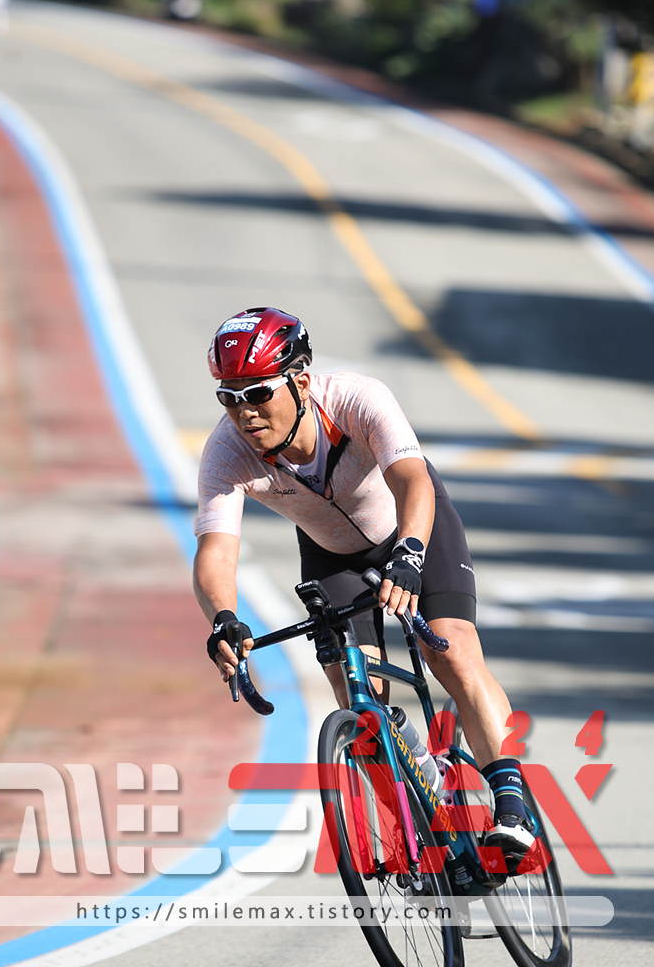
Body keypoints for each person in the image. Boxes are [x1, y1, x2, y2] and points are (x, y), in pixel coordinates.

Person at [192, 306, 537, 860]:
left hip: (413, 526)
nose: (244, 412)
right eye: (228, 398)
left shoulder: (357, 399)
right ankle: (421, 815)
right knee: (356, 692)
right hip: (332, 556)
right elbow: (215, 551)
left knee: (451, 649)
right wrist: (223, 620)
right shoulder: (226, 453)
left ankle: (512, 808)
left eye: (257, 393)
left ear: (300, 381)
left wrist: (410, 553)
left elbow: (412, 480)